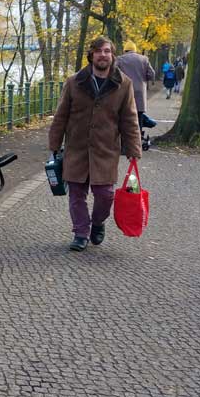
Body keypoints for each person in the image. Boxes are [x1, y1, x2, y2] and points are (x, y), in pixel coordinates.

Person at [49, 37, 142, 252]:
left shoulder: (123, 83)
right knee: (76, 195)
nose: (103, 55)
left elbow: (129, 119)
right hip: (77, 149)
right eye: (98, 51)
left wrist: (133, 149)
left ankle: (98, 223)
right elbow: (61, 115)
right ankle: (80, 233)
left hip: (105, 150)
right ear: (91, 55)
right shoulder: (74, 82)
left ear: (113, 55)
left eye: (107, 51)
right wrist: (54, 143)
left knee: (105, 195)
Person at [115, 40, 155, 130]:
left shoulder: (120, 59)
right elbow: (152, 74)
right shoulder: (144, 59)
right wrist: (143, 79)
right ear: (135, 50)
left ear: (125, 50)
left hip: (124, 92)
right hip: (140, 93)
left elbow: (113, 73)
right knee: (139, 117)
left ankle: (124, 140)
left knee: (124, 116)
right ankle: (138, 138)